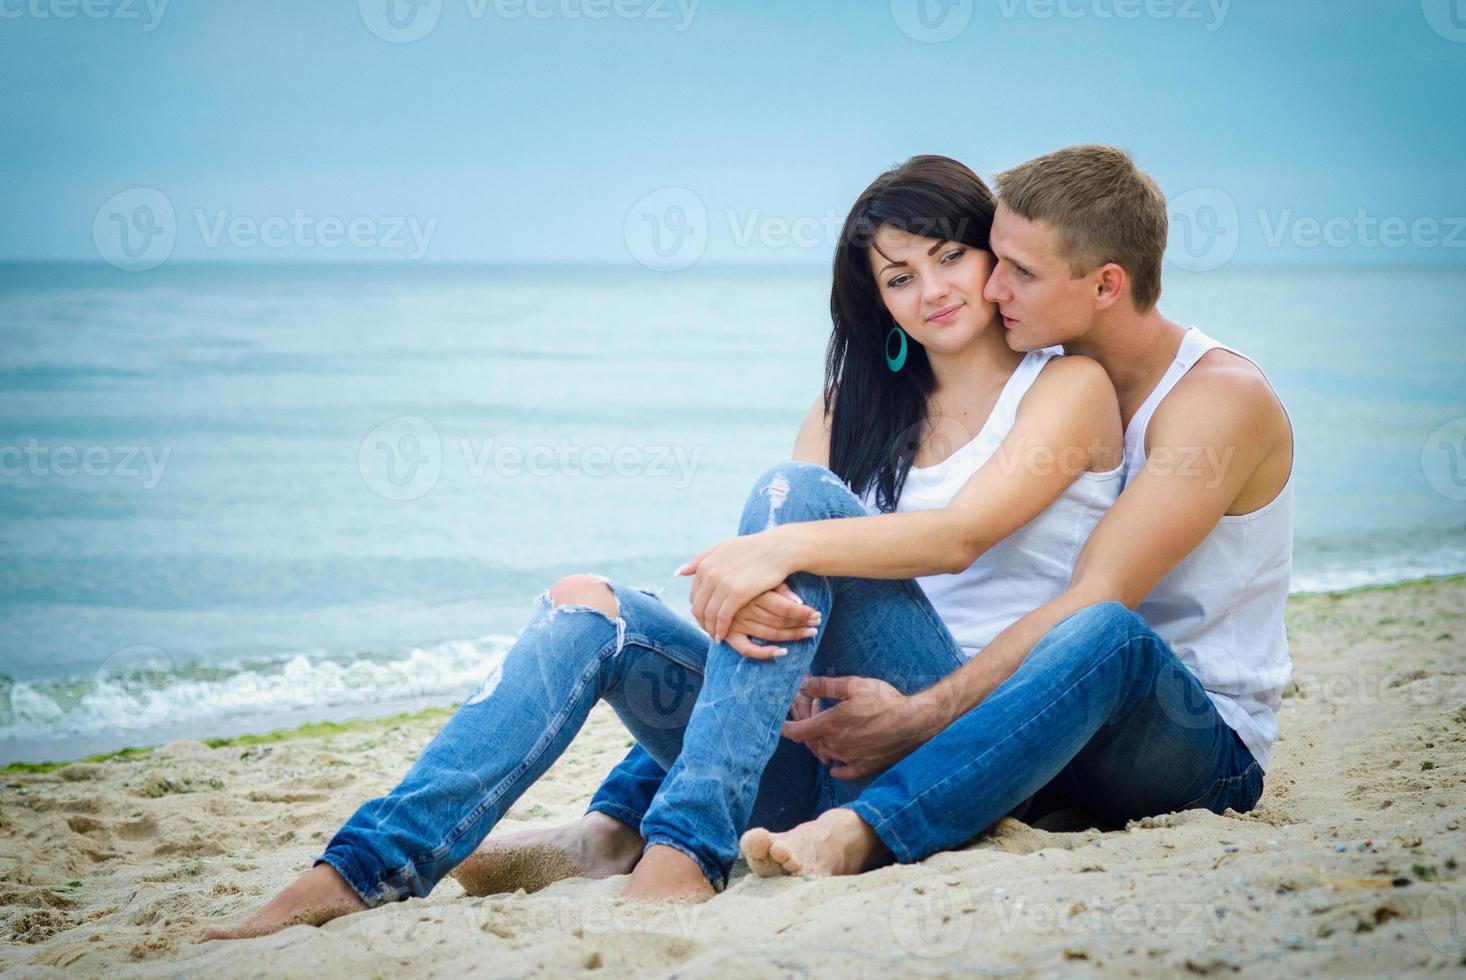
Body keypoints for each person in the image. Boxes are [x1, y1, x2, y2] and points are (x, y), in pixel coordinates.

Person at [206, 154, 1124, 939]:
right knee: (589, 606)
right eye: (898, 277)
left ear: (992, 258)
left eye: (950, 256)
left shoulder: (1066, 386)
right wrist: (745, 583)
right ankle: (362, 870)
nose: (931, 291)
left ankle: (678, 846)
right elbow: (785, 590)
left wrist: (757, 556)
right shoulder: (846, 411)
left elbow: (958, 540)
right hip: (813, 753)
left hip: (955, 742)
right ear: (876, 301)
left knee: (791, 504)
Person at [738, 144, 1296, 877]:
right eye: (992, 258)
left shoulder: (1217, 401)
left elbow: (1091, 600)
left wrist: (921, 714)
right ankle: (628, 821)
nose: (991, 286)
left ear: (1105, 286)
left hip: (1188, 741)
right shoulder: (1054, 389)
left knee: (1106, 631)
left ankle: (863, 832)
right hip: (1041, 726)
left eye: (1019, 271)